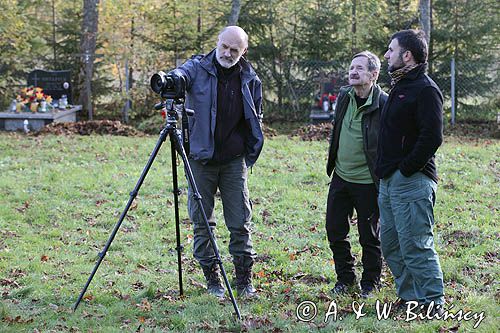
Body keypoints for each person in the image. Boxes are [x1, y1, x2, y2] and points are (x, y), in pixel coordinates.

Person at [169, 26, 264, 298]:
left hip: (234, 161)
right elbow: (181, 76)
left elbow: (256, 116)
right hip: (200, 159)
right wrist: (172, 80)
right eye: (224, 46)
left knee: (240, 222)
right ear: (217, 42)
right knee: (202, 223)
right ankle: (213, 280)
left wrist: (249, 152)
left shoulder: (250, 78)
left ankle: (244, 281)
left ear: (243, 51)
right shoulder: (197, 68)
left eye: (235, 50)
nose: (227, 53)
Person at [376, 29, 444, 313]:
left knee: (416, 244)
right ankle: (410, 298)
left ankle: (433, 301)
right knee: (391, 244)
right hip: (389, 181)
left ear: (407, 55)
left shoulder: (425, 89)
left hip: (412, 180)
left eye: (390, 50)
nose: (386, 55)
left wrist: (405, 169)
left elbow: (432, 137)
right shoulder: (399, 86)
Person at [325, 51, 387, 298]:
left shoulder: (384, 103)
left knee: (369, 236)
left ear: (373, 74)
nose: (353, 72)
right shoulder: (344, 96)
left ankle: (371, 283)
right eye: (352, 67)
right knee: (334, 230)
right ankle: (345, 278)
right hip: (340, 177)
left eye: (360, 68)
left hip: (368, 182)